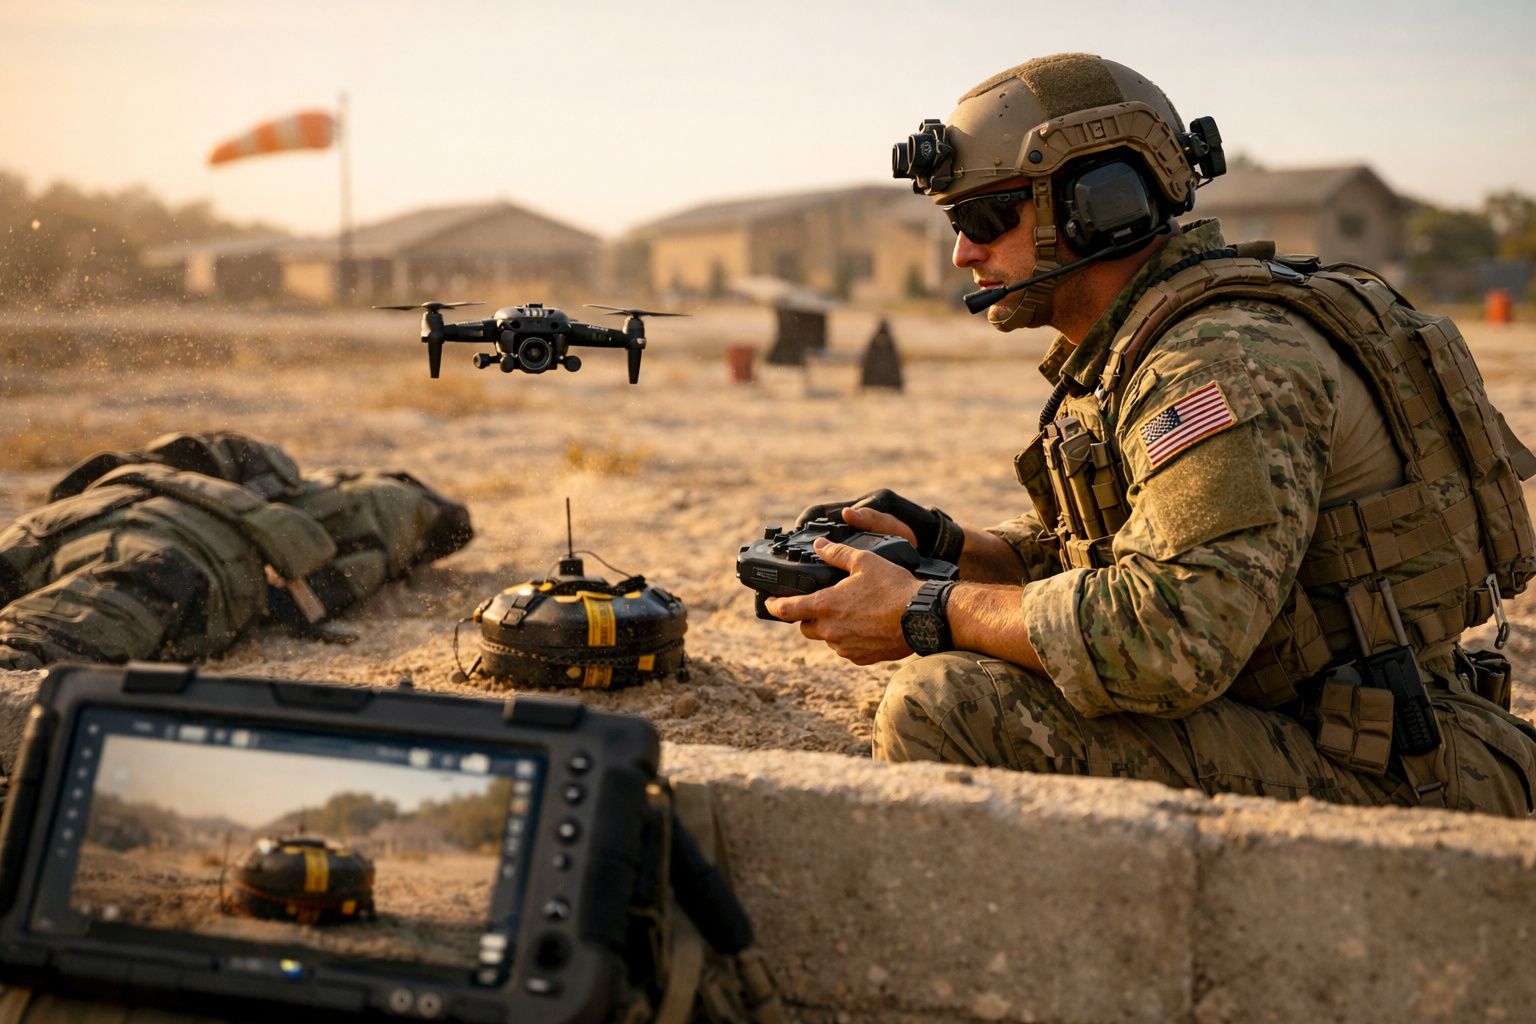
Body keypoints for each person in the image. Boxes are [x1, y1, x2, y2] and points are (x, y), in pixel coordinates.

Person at [767, 52, 1536, 817]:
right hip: (1332, 726)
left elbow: (1170, 637)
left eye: (984, 217)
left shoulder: (1217, 358)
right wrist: (952, 547)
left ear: (1098, 203)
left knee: (946, 704)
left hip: (1400, 773)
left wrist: (929, 610)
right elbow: (1140, 550)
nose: (964, 251)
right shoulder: (1151, 341)